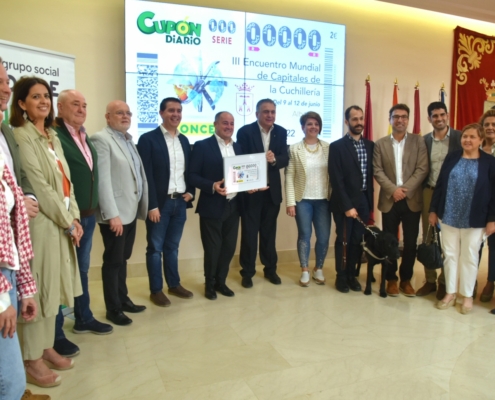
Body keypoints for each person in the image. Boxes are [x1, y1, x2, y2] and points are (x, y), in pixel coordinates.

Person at [12, 76, 83, 388]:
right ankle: (31, 358)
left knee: (54, 288)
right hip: (42, 223)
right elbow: (38, 185)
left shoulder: (52, 135)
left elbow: (67, 183)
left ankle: (45, 346)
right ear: (21, 104)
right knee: (39, 289)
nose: (43, 101)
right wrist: (68, 221)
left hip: (62, 220)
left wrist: (76, 216)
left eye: (46, 96)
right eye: (35, 96)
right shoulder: (20, 134)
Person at [0, 60, 49, 400]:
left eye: (6, 81)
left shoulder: (2, 133)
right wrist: (3, 296)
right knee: (11, 380)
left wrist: (23, 287)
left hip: (11, 262)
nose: (5, 87)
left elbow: (15, 191)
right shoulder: (18, 132)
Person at [53, 90, 113, 355]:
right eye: (75, 104)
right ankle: (54, 334)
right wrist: (70, 218)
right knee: (61, 274)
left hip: (87, 215)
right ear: (60, 107)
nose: (81, 109)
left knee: (82, 270)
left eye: (84, 105)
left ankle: (83, 318)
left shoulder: (83, 135)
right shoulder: (55, 135)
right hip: (66, 218)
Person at [91, 101, 148, 326]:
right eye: (119, 113)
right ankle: (112, 309)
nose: (125, 116)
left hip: (130, 212)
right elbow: (102, 181)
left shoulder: (128, 139)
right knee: (113, 262)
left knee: (122, 260)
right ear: (107, 116)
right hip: (115, 216)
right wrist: (111, 214)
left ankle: (123, 300)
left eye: (128, 113)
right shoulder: (101, 139)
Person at [429, 123, 495, 314]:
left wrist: (492, 219)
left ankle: (466, 296)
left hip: (475, 218)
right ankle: (450, 293)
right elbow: (440, 185)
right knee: (449, 256)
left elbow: (493, 194)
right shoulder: (452, 157)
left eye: (472, 137)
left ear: (481, 140)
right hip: (448, 215)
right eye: (465, 136)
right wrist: (433, 210)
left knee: (470, 257)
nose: (467, 140)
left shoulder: (489, 162)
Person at [137, 97, 195, 307]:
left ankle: (174, 284)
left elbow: (189, 171)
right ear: (161, 113)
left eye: (179, 111)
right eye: (171, 110)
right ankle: (156, 290)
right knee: (155, 248)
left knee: (172, 247)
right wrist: (151, 205)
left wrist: (191, 191)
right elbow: (147, 176)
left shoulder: (184, 140)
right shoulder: (148, 139)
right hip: (159, 205)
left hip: (179, 203)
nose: (176, 114)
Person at [373, 103, 428, 297]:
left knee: (411, 242)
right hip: (389, 199)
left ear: (408, 120)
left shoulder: (418, 142)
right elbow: (377, 170)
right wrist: (393, 190)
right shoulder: (380, 144)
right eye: (396, 116)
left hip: (411, 199)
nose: (400, 120)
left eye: (404, 117)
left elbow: (422, 169)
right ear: (390, 119)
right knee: (389, 241)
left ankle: (406, 279)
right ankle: (391, 279)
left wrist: (404, 190)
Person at [189, 112, 242, 300]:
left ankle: (221, 282)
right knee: (213, 249)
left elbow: (242, 175)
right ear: (215, 124)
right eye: (225, 123)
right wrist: (212, 186)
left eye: (231, 123)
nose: (228, 126)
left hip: (234, 206)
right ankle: (209, 284)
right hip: (211, 206)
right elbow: (192, 175)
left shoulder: (239, 147)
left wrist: (249, 186)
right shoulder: (203, 146)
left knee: (228, 248)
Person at [237, 99, 288, 288]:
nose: (270, 115)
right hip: (251, 192)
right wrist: (260, 159)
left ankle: (270, 270)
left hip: (271, 192)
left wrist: (274, 159)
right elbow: (240, 159)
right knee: (249, 235)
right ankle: (247, 273)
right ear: (257, 113)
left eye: (273, 112)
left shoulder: (281, 132)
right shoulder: (245, 132)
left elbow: (285, 157)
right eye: (266, 112)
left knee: (269, 234)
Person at [417, 102, 462, 299]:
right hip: (429, 191)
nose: (439, 119)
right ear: (429, 119)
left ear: (448, 115)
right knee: (429, 236)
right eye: (435, 116)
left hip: (453, 193)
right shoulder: (424, 140)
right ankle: (429, 280)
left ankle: (445, 282)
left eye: (442, 115)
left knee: (449, 238)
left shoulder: (460, 138)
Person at [329, 106, 374, 293]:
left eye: (361, 118)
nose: (359, 122)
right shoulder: (337, 146)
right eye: (354, 119)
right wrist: (347, 206)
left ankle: (352, 275)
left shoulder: (370, 145)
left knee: (357, 240)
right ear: (347, 122)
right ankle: (341, 276)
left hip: (364, 200)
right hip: (344, 202)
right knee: (344, 240)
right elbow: (336, 179)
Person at [285, 111, 330, 287]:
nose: (313, 127)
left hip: (324, 200)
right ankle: (304, 269)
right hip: (302, 199)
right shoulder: (294, 149)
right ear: (303, 127)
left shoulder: (328, 147)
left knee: (324, 237)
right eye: (309, 124)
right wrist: (290, 202)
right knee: (304, 235)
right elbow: (289, 176)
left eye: (316, 124)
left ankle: (318, 267)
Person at [479, 109, 495, 306]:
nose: (490, 127)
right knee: (475, 247)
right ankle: (471, 283)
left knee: (494, 248)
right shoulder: (477, 147)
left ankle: (491, 281)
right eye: (487, 125)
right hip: (478, 205)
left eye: (493, 124)